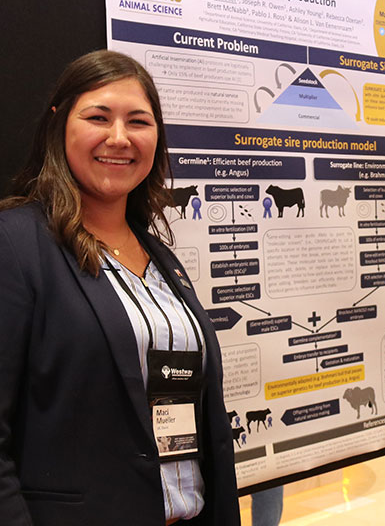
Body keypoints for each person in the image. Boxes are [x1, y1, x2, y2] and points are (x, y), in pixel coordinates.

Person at [0, 50, 241, 525]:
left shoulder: (162, 258)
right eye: (97, 117)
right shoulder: (16, 244)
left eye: (138, 121)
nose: (119, 137)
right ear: (59, 125)